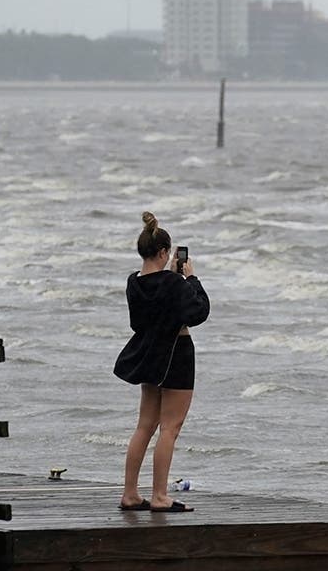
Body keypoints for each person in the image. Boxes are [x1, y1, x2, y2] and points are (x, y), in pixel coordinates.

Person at [114, 211, 210, 513]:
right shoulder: (173, 282)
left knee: (145, 425)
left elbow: (137, 322)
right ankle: (159, 496)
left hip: (148, 354)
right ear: (164, 252)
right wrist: (190, 277)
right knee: (170, 428)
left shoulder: (134, 282)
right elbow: (199, 312)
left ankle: (130, 494)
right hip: (177, 354)